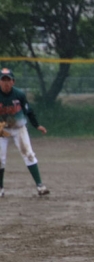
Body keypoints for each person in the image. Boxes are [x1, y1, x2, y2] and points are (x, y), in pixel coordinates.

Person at [0, 68, 49, 197]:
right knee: (0, 159)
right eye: (3, 80)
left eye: (8, 80)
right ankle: (0, 188)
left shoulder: (19, 95)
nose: (6, 83)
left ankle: (40, 186)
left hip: (18, 128)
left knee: (29, 154)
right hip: (1, 129)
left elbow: (28, 110)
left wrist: (36, 125)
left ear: (13, 82)